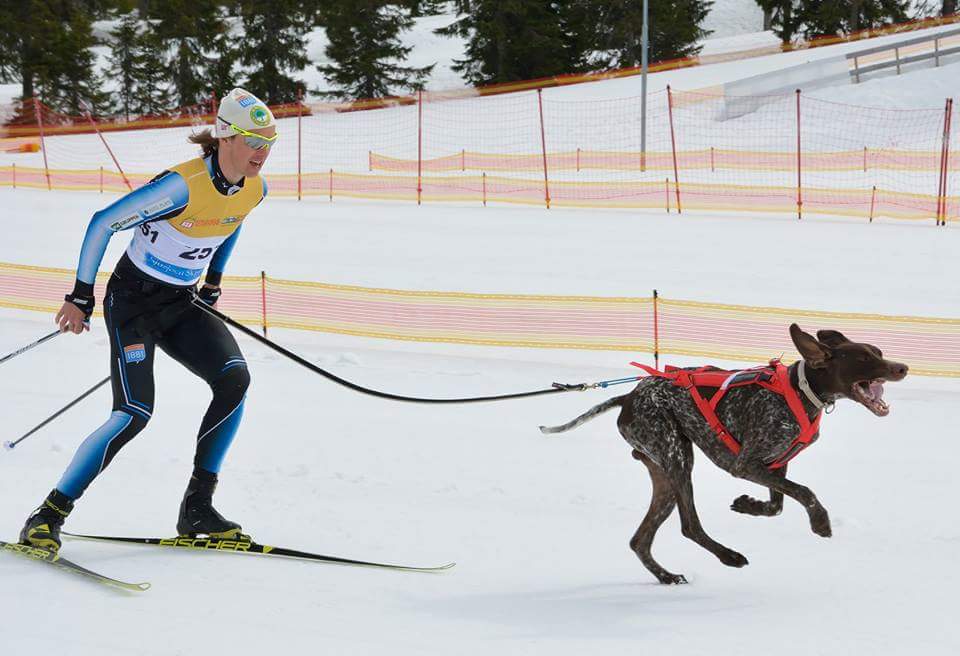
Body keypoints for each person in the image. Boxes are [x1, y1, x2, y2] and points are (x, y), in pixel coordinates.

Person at [19, 88, 278, 552]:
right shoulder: (181, 185)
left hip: (181, 302)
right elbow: (102, 223)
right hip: (133, 302)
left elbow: (232, 220)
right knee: (134, 413)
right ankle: (48, 514)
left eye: (269, 142)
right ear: (225, 137)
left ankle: (198, 507)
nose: (263, 152)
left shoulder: (254, 188)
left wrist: (213, 281)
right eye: (254, 141)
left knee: (234, 380)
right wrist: (80, 296)